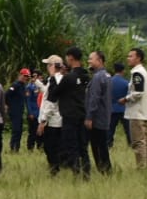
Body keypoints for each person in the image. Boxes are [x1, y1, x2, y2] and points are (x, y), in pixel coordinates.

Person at [49, 48, 91, 178]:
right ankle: (86, 173)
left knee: (71, 145)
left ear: (70, 58)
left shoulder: (68, 78)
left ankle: (76, 172)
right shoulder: (86, 76)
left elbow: (53, 95)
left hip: (69, 116)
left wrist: (53, 76)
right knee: (83, 146)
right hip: (83, 114)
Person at [124, 47, 147, 168]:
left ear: (138, 58)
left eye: (131, 56)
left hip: (137, 112)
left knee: (138, 142)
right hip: (144, 111)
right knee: (145, 141)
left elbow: (138, 92)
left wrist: (126, 98)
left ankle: (141, 166)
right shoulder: (143, 72)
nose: (128, 59)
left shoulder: (137, 73)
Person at [85, 51, 112, 175]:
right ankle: (106, 170)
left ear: (99, 60)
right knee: (103, 145)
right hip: (104, 116)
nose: (89, 61)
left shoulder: (97, 77)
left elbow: (94, 98)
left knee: (97, 146)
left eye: (91, 59)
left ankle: (104, 170)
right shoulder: (106, 75)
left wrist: (89, 117)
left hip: (97, 117)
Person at [36, 58, 65, 176]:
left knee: (50, 147)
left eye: (49, 65)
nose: (47, 67)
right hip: (59, 119)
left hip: (52, 120)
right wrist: (37, 82)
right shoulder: (59, 79)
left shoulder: (54, 80)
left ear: (53, 66)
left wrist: (43, 120)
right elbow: (48, 92)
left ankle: (54, 169)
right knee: (55, 146)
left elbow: (51, 101)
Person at [108, 63, 130, 147]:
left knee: (110, 129)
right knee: (128, 129)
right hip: (123, 109)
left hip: (112, 109)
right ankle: (130, 143)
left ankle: (109, 144)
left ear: (114, 70)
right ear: (123, 71)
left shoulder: (109, 82)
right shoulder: (126, 83)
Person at [6, 70, 28, 153]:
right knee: (16, 130)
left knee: (19, 130)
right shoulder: (15, 85)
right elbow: (7, 95)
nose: (25, 78)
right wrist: (8, 105)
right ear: (20, 75)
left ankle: (17, 148)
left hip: (20, 111)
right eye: (24, 76)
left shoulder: (23, 86)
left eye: (27, 76)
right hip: (14, 111)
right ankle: (13, 148)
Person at [25, 68, 45, 154]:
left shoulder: (44, 87)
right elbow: (28, 101)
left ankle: (40, 147)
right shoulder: (29, 87)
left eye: (38, 76)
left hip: (41, 112)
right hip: (34, 112)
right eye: (34, 76)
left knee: (41, 132)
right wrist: (30, 112)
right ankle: (30, 148)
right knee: (32, 132)